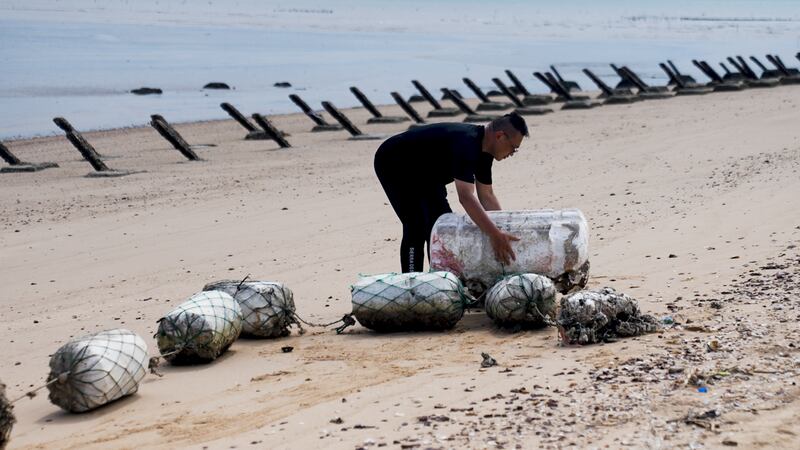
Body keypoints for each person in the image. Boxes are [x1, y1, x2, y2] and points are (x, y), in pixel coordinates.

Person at [374, 112, 529, 273]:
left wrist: (502, 230)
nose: (512, 153)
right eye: (514, 148)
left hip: (427, 175)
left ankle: (438, 279)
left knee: (441, 226)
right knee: (416, 225)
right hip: (394, 161)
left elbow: (487, 196)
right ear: (500, 137)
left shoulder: (485, 153)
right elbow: (466, 197)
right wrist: (494, 234)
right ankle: (411, 282)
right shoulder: (467, 143)